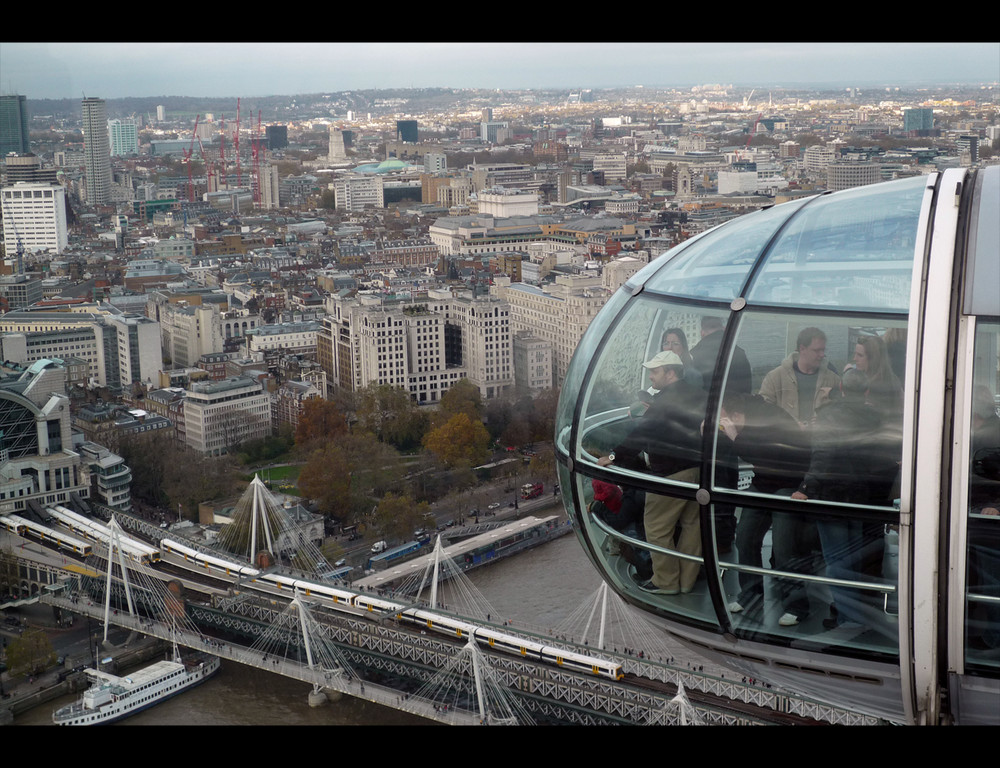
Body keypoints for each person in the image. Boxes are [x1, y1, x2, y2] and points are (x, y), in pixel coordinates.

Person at [600, 350, 706, 595]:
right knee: (692, 527)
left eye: (655, 372)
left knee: (657, 527)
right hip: (696, 471)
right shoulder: (698, 395)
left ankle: (666, 582)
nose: (650, 378)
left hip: (669, 475)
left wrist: (614, 455)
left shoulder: (664, 403)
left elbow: (642, 434)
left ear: (671, 373)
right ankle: (687, 581)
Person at [792, 369, 885, 630]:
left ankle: (847, 618)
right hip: (859, 496)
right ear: (865, 391)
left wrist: (806, 487)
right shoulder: (873, 417)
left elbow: (822, 454)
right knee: (852, 558)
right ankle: (854, 615)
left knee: (835, 560)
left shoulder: (829, 415)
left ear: (841, 388)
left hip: (831, 495)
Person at [720, 394, 813, 623]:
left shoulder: (768, 420)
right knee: (744, 538)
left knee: (784, 548)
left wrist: (733, 435)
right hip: (763, 483)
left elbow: (762, 452)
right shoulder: (754, 417)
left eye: (727, 421)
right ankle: (751, 594)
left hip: (787, 486)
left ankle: (797, 605)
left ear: (737, 415)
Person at [759, 327, 840, 428]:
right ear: (802, 349)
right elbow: (762, 411)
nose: (822, 355)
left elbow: (844, 413)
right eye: (817, 350)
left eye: (823, 350)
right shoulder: (775, 378)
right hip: (786, 440)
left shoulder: (833, 380)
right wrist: (789, 424)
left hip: (821, 440)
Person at [689, 316, 752, 398]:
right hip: (734, 407)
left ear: (702, 333)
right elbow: (746, 389)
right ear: (724, 328)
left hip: (703, 408)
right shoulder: (738, 353)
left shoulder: (693, 355)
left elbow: (690, 389)